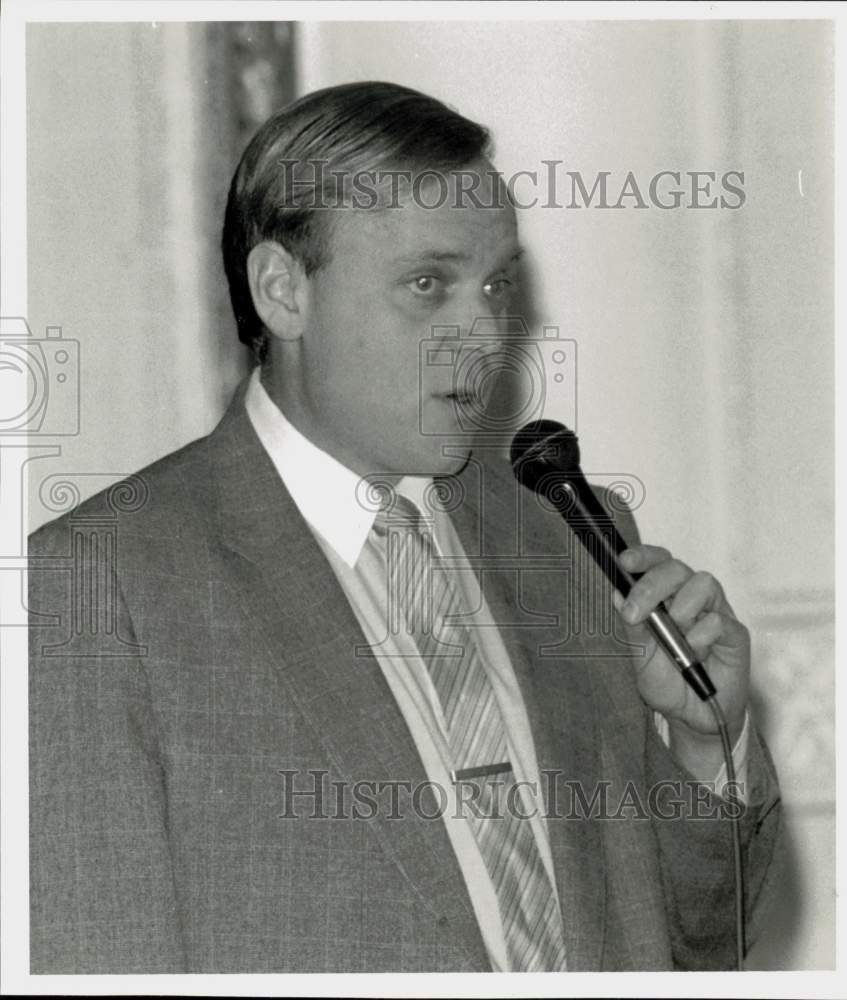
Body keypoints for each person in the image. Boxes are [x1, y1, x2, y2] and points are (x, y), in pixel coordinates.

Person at [28, 81, 782, 973]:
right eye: (428, 284)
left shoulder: (572, 537)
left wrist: (703, 743)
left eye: (496, 284)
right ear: (282, 291)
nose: (484, 336)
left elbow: (697, 947)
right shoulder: (99, 584)